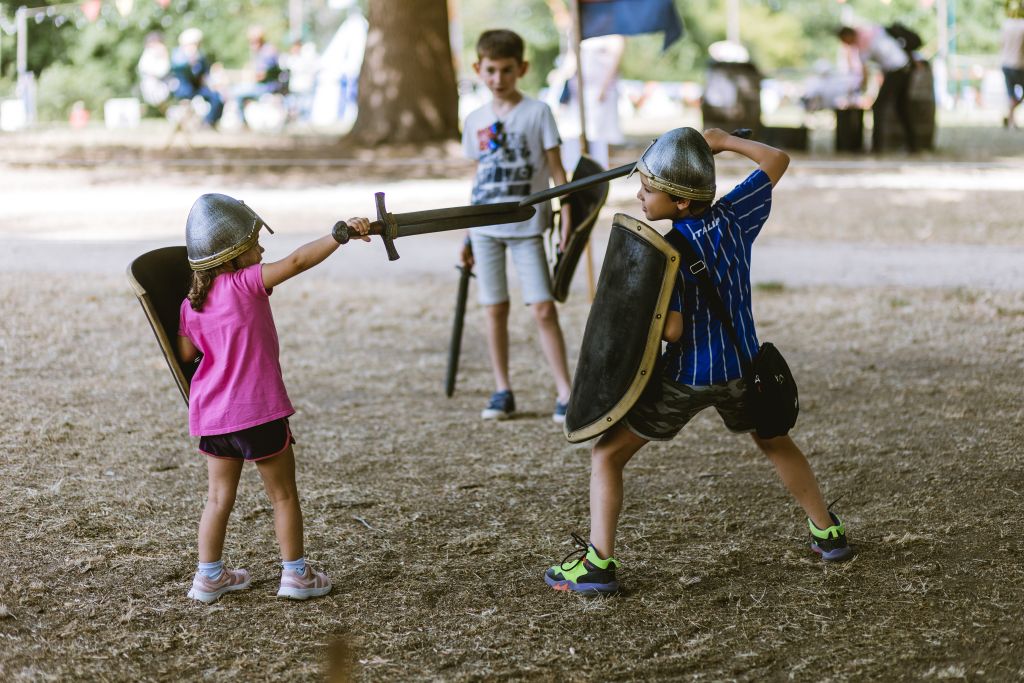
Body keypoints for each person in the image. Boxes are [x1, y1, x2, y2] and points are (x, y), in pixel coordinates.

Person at [544, 127, 852, 595]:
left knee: (606, 455)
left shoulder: (664, 253)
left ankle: (597, 564)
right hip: (744, 369)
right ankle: (827, 532)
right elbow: (777, 159)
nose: (640, 197)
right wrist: (725, 141)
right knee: (774, 441)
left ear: (682, 203)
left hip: (688, 377)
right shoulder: (735, 215)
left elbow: (672, 331)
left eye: (649, 190)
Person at [177, 193, 370, 603]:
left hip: (214, 416)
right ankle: (296, 575)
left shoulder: (190, 305)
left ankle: (208, 577)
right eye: (253, 244)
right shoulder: (246, 283)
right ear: (230, 257)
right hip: (258, 412)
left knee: (216, 499)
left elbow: (186, 356)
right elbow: (297, 261)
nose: (262, 249)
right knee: (282, 495)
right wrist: (339, 234)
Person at [460, 29, 574, 423]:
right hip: (486, 228)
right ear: (478, 69)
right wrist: (467, 233)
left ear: (521, 69)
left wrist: (566, 220)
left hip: (527, 226)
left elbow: (559, 173)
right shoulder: (474, 119)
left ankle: (565, 391)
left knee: (542, 308)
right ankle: (502, 389)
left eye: (506, 70)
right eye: (490, 70)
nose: (498, 78)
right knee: (495, 309)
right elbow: (478, 179)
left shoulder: (538, 112)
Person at [837, 24, 917, 153]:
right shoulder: (871, 30)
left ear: (848, 36)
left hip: (897, 69)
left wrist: (858, 90)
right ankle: (913, 145)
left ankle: (877, 146)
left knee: (879, 106)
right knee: (902, 108)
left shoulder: (863, 42)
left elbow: (864, 72)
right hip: (904, 66)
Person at [168, 27, 224, 128]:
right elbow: (176, 68)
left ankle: (208, 122)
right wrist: (189, 61)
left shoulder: (200, 56)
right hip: (183, 89)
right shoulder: (178, 54)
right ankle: (185, 123)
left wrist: (212, 83)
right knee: (187, 100)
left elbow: (205, 74)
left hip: (198, 88)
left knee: (217, 97)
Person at [233, 26, 285, 128]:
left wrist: (249, 77)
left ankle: (243, 123)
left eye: (252, 41)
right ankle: (244, 122)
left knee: (237, 93)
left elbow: (263, 75)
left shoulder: (267, 51)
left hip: (268, 87)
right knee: (238, 90)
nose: (251, 44)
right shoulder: (261, 51)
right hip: (263, 85)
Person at [1001, 1, 1024, 129]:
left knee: (1011, 95)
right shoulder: (1022, 26)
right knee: (1017, 96)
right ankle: (1010, 116)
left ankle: (1011, 120)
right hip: (1019, 65)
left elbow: (1001, 44)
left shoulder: (1006, 25)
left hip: (1006, 64)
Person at [137, 32, 171, 109]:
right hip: (150, 82)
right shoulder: (147, 54)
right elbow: (143, 68)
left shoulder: (163, 53)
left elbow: (164, 69)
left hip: (163, 82)